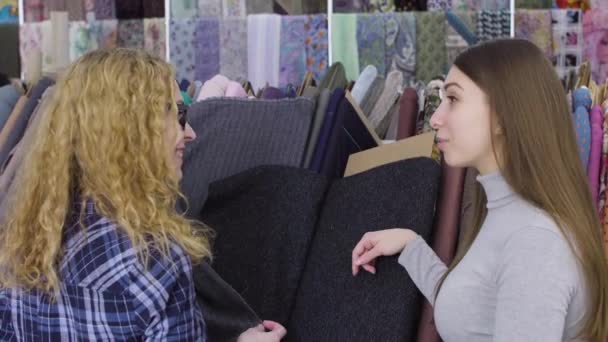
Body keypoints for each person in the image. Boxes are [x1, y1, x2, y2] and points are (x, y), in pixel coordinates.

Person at [0, 49, 286, 341]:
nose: (190, 134)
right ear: (134, 131)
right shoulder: (154, 261)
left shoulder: (25, 239)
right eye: (178, 115)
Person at [352, 39, 608, 341]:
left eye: (453, 99)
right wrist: (411, 247)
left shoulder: (535, 243)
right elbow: (475, 311)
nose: (435, 119)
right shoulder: (507, 213)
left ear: (504, 113)